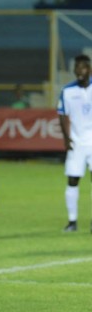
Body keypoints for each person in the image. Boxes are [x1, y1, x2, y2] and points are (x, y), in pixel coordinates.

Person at [58, 54, 92, 232]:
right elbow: (62, 115)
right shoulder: (67, 91)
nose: (80, 71)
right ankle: (72, 221)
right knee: (72, 180)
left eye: (83, 68)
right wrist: (66, 138)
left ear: (90, 69)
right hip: (77, 143)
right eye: (77, 68)